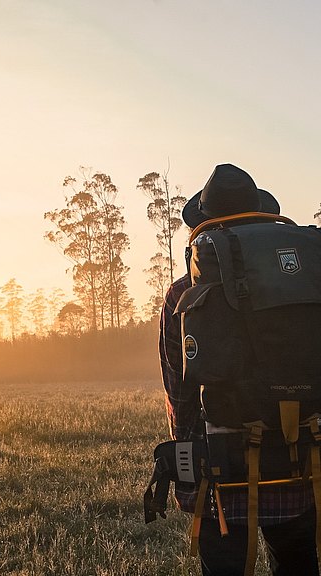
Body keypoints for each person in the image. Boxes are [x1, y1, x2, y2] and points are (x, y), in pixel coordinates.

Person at [159, 163, 319, 576]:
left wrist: (187, 472)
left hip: (222, 470)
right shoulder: (309, 284)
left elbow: (180, 394)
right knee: (299, 563)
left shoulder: (183, 293)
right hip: (304, 459)